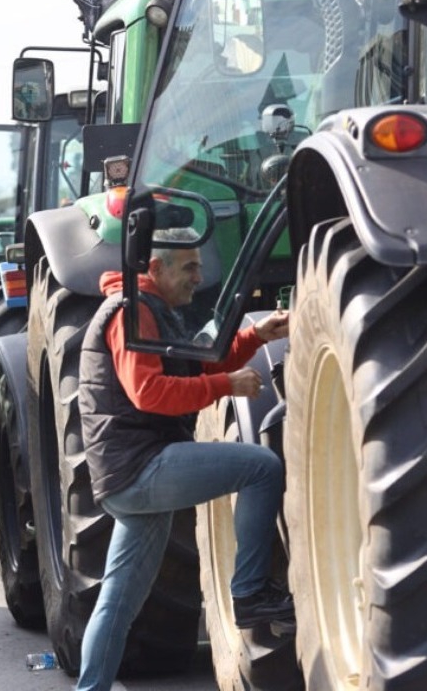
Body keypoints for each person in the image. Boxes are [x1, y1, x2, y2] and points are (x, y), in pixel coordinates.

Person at [75, 227, 293, 691]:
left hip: (125, 472)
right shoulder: (132, 312)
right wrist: (227, 386)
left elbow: (196, 364)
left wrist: (255, 336)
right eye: (190, 267)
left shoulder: (151, 308)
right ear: (156, 268)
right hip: (140, 467)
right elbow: (149, 392)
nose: (200, 276)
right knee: (261, 467)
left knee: (118, 603)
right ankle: (251, 593)